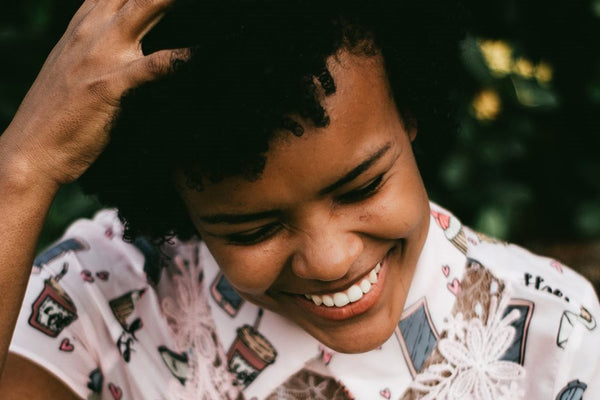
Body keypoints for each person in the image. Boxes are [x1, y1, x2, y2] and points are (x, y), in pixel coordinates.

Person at [0, 0, 598, 399]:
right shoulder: (103, 299)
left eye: (362, 187)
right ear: (177, 204)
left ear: (409, 113)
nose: (331, 259)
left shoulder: (548, 335)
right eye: (253, 229)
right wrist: (20, 172)